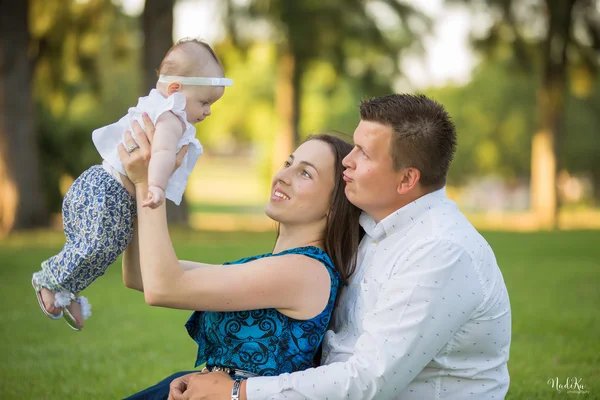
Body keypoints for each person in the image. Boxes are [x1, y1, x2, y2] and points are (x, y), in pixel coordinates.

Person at [170, 94, 512, 400]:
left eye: (364, 154)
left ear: (407, 179)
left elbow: (368, 381)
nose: (348, 160)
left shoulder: (440, 250)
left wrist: (236, 391)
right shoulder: (375, 231)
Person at [118, 124, 363, 399]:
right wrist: (132, 187)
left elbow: (163, 288)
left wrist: (150, 185)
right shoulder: (272, 264)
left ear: (334, 205)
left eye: (305, 173)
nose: (282, 176)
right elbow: (140, 275)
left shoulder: (306, 270)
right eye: (288, 163)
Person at [31, 38, 232, 331]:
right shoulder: (171, 116)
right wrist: (157, 187)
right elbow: (162, 153)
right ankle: (47, 280)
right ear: (176, 90)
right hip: (108, 192)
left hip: (100, 188)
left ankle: (66, 291)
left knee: (101, 251)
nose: (208, 111)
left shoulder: (159, 107)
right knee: (96, 246)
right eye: (204, 102)